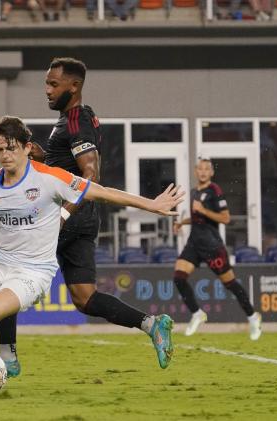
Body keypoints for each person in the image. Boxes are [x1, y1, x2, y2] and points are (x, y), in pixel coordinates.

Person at [0, 116, 182, 385]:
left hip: (34, 270)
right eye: (0, 148)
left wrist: (151, 205)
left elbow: (101, 192)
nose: (5, 155)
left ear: (28, 148)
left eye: (12, 148)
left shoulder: (50, 179)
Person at [28, 57, 172, 368]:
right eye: (46, 83)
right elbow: (67, 170)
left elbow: (89, 173)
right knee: (84, 298)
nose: (47, 90)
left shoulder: (77, 119)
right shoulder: (69, 120)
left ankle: (6, 357)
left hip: (68, 217)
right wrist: (41, 156)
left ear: (74, 86)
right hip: (82, 218)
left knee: (11, 275)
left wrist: (64, 213)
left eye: (53, 84)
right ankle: (151, 324)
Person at [173, 157, 262, 340]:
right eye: (200, 168)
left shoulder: (215, 191)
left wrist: (204, 210)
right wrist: (182, 222)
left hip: (213, 246)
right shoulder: (193, 192)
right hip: (194, 244)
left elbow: (225, 218)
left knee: (230, 284)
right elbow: (198, 218)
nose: (203, 172)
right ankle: (197, 313)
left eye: (207, 169)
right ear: (195, 171)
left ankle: (253, 317)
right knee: (179, 278)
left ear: (212, 172)